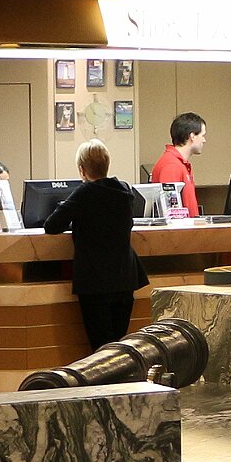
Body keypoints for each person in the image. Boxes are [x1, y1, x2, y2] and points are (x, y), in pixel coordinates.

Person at [42, 139, 145, 349]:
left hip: (96, 281)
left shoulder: (85, 193)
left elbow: (51, 225)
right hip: (125, 277)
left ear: (82, 170)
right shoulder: (125, 190)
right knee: (118, 345)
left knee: (101, 349)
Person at [152, 111, 207, 219]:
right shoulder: (172, 165)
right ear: (192, 136)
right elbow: (171, 213)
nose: (204, 140)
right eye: (202, 135)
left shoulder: (179, 164)